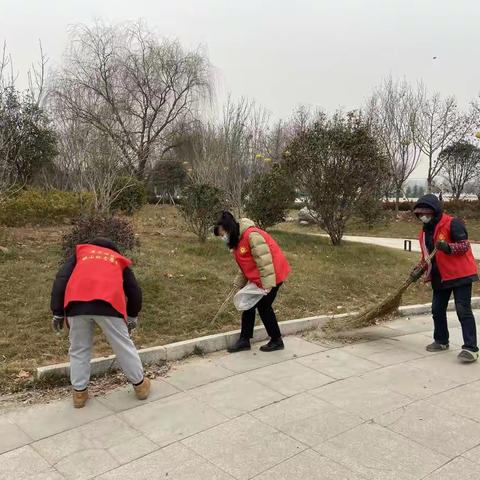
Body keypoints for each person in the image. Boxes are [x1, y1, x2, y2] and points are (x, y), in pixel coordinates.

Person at [50, 237, 150, 408]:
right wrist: (133, 316)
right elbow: (134, 290)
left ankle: (79, 394)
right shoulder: (116, 258)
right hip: (109, 304)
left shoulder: (80, 254)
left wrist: (57, 312)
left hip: (76, 305)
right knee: (123, 345)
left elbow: (61, 279)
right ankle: (140, 386)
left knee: (79, 348)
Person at [411, 194, 479, 362]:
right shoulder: (424, 232)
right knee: (437, 310)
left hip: (460, 274)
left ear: (436, 211)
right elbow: (428, 255)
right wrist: (419, 269)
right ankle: (441, 340)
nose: (423, 217)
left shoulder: (452, 223)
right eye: (420, 214)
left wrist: (448, 247)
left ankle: (471, 348)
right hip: (440, 276)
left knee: (463, 310)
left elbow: (464, 246)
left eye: (427, 213)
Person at [214, 212, 291, 353]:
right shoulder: (237, 240)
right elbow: (246, 266)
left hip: (274, 274)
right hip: (261, 277)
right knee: (248, 304)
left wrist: (267, 286)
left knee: (263, 306)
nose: (223, 237)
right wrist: (238, 283)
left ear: (229, 228)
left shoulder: (251, 235)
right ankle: (244, 340)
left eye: (223, 233)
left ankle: (276, 340)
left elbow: (265, 261)